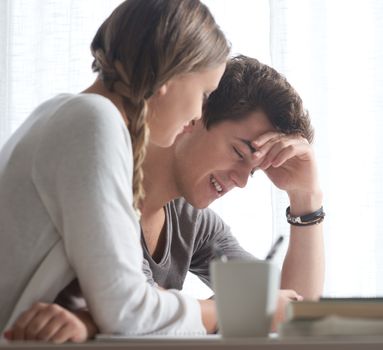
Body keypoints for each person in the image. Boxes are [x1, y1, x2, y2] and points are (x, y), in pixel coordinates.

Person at [4, 55, 325, 342]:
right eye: (239, 153)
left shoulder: (192, 223)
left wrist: (305, 198)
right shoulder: (99, 187)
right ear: (194, 114)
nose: (241, 181)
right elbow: (135, 309)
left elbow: (290, 309)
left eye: (253, 172)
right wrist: (245, 307)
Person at [0, 0, 229, 340]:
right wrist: (222, 310)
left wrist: (91, 320)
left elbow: (118, 307)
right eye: (204, 93)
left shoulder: (66, 113)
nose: (198, 114)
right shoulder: (93, 122)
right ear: (170, 76)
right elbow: (128, 311)